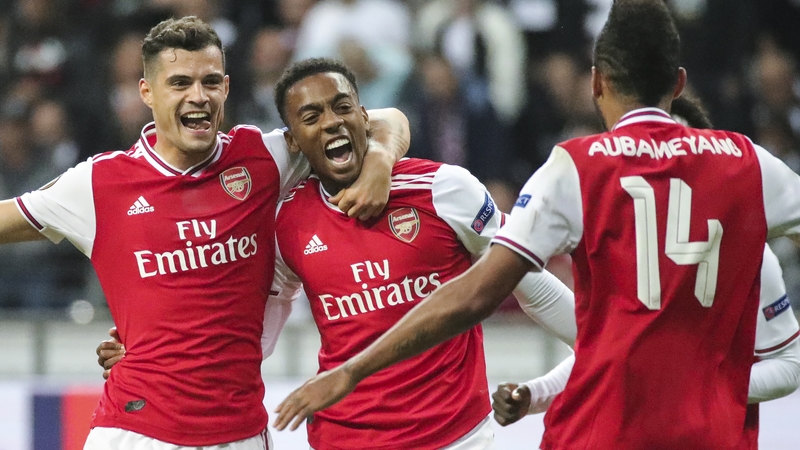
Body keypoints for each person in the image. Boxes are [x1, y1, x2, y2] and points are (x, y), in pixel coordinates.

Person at [272, 2, 800, 448]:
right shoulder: (748, 165)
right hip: (710, 433)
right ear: (679, 82)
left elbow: (484, 293)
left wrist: (351, 371)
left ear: (597, 83)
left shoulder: (573, 168)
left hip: (587, 430)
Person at [99, 57, 576, 449]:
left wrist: (560, 370)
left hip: (458, 438)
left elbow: (532, 287)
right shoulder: (288, 222)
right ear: (296, 141)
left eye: (341, 106)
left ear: (363, 115)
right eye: (311, 117)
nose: (331, 123)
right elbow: (255, 322)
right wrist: (157, 349)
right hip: (343, 439)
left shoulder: (444, 188)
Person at [0, 16, 409, 450]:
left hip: (239, 433)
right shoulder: (99, 184)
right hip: (135, 432)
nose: (198, 96)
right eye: (179, 83)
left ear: (227, 88)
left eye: (210, 82)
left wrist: (381, 162)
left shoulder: (263, 157)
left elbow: (386, 117)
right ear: (147, 93)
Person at [491, 97, 800, 441]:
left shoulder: (750, 253)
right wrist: (535, 393)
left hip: (710, 436)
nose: (663, 158)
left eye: (679, 142)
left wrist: (707, 384)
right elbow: (604, 352)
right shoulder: (626, 244)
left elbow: (790, 364)